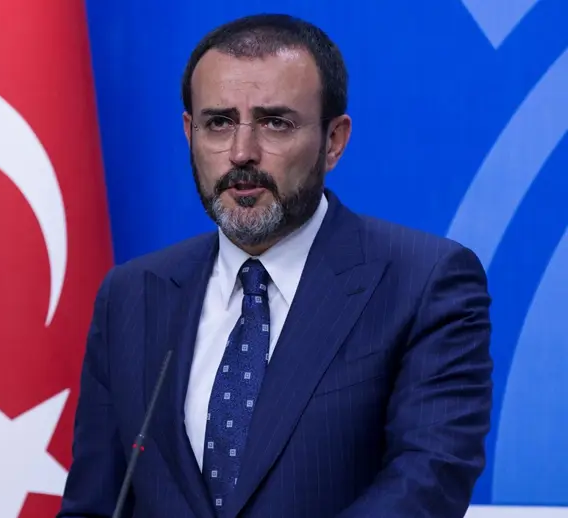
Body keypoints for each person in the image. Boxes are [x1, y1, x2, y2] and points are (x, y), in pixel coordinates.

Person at [58, 12, 493, 518]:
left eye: (275, 123)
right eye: (219, 123)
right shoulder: (133, 293)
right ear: (189, 132)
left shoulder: (423, 283)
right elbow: (95, 503)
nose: (241, 153)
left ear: (334, 141)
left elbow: (426, 485)